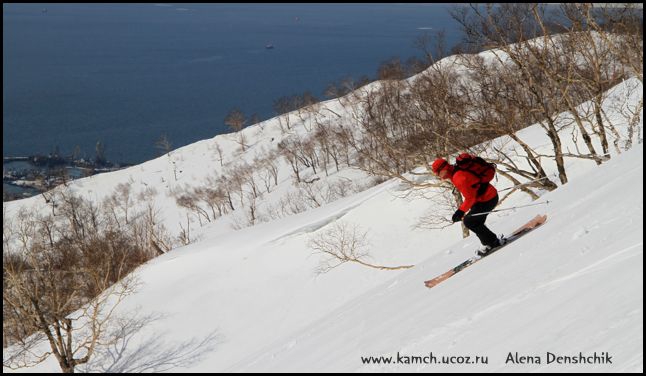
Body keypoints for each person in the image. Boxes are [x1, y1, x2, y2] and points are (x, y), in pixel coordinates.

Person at [432, 157, 502, 255]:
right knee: (474, 221)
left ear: (444, 169)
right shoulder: (455, 172)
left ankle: (491, 242)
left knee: (470, 221)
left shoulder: (458, 177)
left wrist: (460, 211)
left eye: (437, 173)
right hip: (484, 198)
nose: (438, 176)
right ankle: (490, 242)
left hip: (488, 199)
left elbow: (470, 198)